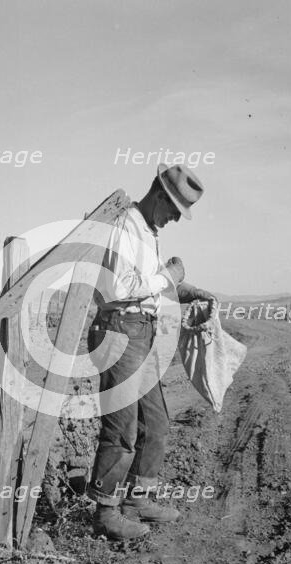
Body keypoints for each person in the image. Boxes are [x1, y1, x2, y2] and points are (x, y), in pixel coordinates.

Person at [87, 163, 216, 540]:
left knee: (155, 423)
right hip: (118, 332)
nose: (176, 218)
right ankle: (105, 513)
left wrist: (188, 289)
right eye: (175, 209)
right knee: (122, 427)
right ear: (159, 194)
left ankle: (138, 499)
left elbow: (152, 279)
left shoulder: (148, 230)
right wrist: (169, 277)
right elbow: (121, 287)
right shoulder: (125, 225)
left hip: (140, 332)